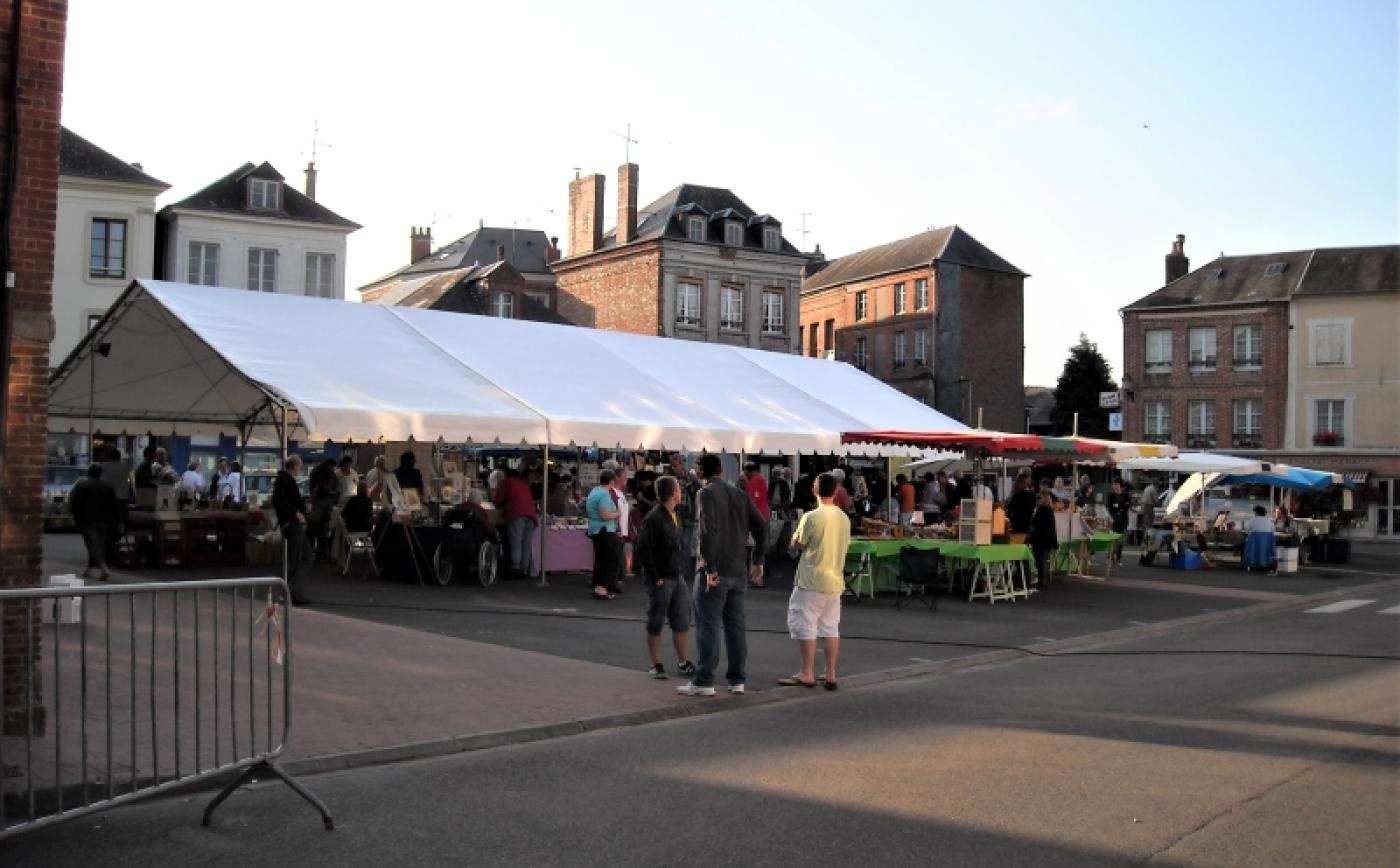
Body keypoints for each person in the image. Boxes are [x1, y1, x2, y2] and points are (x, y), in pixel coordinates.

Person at [677, 453, 767, 697]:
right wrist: (758, 559)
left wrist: (710, 567)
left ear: (702, 470)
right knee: (735, 626)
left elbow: (708, 530)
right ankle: (737, 679)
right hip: (738, 567)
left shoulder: (705, 493)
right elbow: (761, 525)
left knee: (708, 624)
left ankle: (704, 680)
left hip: (715, 568)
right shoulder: (738, 493)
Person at [779, 472, 850, 690]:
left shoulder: (811, 517)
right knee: (830, 627)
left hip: (811, 578)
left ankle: (807, 672)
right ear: (836, 491)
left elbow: (797, 543)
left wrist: (795, 540)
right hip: (835, 578)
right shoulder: (843, 518)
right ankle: (830, 673)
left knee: (805, 623)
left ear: (815, 490)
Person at [636, 476, 695, 679]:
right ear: (673, 493)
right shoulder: (654, 518)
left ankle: (683, 661)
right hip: (662, 576)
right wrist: (655, 576)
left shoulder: (674, 514)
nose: (681, 492)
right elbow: (643, 549)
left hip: (676, 575)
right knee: (656, 619)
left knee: (681, 619)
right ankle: (657, 664)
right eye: (679, 489)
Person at [273, 454, 312, 606]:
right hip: (292, 523)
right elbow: (278, 500)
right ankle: (293, 592)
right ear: (294, 466)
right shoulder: (285, 479)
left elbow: (282, 500)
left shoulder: (286, 480)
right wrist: (295, 513)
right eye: (299, 466)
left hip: (293, 522)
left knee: (305, 556)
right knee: (298, 558)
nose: (300, 469)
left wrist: (301, 507)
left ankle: (294, 590)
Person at [69, 463, 119, 580]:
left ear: (88, 473)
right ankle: (89, 570)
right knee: (98, 545)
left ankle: (103, 568)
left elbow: (75, 504)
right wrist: (118, 519)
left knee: (92, 545)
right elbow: (114, 504)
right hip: (104, 520)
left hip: (87, 520)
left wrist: (75, 516)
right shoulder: (108, 486)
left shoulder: (81, 486)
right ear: (100, 473)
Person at [494, 467, 538, 577]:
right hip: (531, 515)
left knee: (516, 541)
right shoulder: (524, 484)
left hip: (517, 513)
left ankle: (515, 567)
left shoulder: (507, 482)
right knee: (526, 543)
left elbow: (499, 499)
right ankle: (524, 568)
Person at [585, 469, 622, 600]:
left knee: (601, 559)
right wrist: (618, 513)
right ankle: (602, 587)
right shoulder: (604, 495)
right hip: (604, 530)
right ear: (612, 481)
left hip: (595, 529)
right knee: (611, 559)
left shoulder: (594, 491)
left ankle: (598, 584)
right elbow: (605, 515)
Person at [307, 458, 338, 561]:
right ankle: (322, 554)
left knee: (313, 534)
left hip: (314, 517)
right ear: (328, 466)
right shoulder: (318, 473)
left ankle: (312, 553)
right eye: (332, 467)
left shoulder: (328, 474)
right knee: (322, 534)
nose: (333, 469)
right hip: (321, 514)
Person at [1029, 491, 1058, 589]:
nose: (1036, 500)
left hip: (1042, 540)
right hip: (1045, 540)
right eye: (1036, 497)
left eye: (1039, 498)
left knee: (1041, 561)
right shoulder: (1046, 510)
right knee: (1042, 561)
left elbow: (1040, 525)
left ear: (1044, 499)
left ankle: (1042, 582)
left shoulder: (1044, 511)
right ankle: (1042, 581)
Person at [1244, 505, 1278, 574]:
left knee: (1245, 543)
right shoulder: (1269, 520)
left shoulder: (1253, 520)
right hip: (1267, 542)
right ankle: (1266, 563)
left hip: (1254, 543)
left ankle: (1251, 563)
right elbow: (1273, 530)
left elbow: (1246, 528)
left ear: (1256, 512)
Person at [1106, 479, 1131, 563]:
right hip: (1114, 520)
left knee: (1120, 540)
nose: (1114, 486)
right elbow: (1110, 507)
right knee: (1113, 540)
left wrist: (1118, 505)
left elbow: (1127, 505)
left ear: (1120, 485)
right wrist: (1121, 506)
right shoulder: (1111, 495)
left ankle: (1118, 558)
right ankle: (1110, 557)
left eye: (1116, 484)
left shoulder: (1125, 495)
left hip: (1123, 520)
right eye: (1113, 484)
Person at [1005, 473, 1036, 540]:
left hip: (1017, 528)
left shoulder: (1017, 496)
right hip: (1028, 527)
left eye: (1017, 482)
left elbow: (1009, 510)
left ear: (1022, 483)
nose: (1015, 484)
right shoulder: (1032, 496)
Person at [1138, 476, 1160, 542]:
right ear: (1156, 484)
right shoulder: (1153, 489)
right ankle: (1147, 537)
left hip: (1143, 505)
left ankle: (1145, 537)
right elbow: (1156, 500)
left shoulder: (1148, 487)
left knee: (1145, 522)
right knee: (1149, 522)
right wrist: (1159, 504)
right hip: (1148, 506)